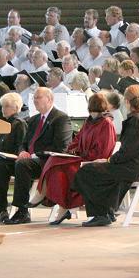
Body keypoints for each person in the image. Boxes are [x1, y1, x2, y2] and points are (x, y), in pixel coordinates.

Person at [72, 85, 139, 227]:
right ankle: (106, 210)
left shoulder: (136, 120)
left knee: (86, 172)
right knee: (94, 170)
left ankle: (101, 213)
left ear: (127, 102)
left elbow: (128, 151)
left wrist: (109, 160)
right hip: (134, 164)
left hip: (131, 166)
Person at [29, 93, 117, 225]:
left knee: (57, 165)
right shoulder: (89, 122)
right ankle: (61, 205)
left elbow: (103, 151)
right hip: (81, 158)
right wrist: (71, 150)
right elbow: (77, 140)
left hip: (93, 161)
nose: (92, 112)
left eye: (94, 109)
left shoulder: (106, 123)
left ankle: (49, 197)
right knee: (55, 160)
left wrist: (81, 155)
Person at [2, 87, 72, 224]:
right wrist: (22, 151)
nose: (35, 101)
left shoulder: (61, 118)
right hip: (30, 160)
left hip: (47, 162)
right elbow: (25, 142)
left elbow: (62, 147)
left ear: (50, 99)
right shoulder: (33, 120)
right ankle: (0, 208)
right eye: (34, 98)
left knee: (22, 165)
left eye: (38, 98)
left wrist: (34, 155)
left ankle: (22, 211)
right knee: (1, 164)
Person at [0, 92, 28, 223]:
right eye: (2, 106)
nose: (3, 109)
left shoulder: (19, 123)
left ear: (15, 107)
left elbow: (21, 146)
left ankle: (2, 208)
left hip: (15, 162)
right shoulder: (4, 124)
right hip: (3, 160)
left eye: (7, 106)